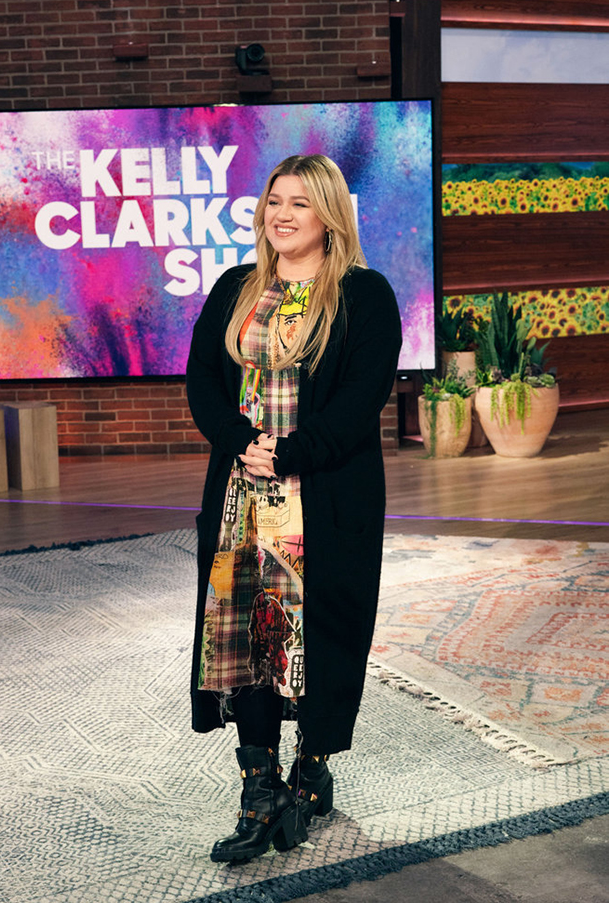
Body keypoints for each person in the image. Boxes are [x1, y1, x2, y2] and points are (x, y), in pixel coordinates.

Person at [186, 154, 402, 863]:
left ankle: (311, 775)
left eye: (300, 203)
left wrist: (290, 452)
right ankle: (259, 789)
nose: (282, 214)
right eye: (274, 201)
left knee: (321, 636)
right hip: (241, 498)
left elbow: (362, 397)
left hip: (325, 497)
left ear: (329, 215)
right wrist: (244, 443)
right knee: (244, 638)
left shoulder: (365, 295)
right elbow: (202, 382)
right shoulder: (235, 288)